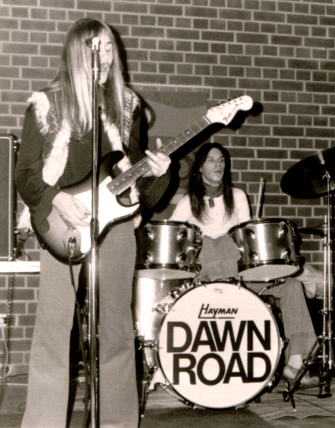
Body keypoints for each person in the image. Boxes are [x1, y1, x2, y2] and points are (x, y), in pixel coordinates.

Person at [14, 18, 171, 427]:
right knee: (54, 327)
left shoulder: (126, 106)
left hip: (115, 224)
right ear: (75, 53)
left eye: (107, 48)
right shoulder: (47, 103)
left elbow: (134, 173)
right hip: (61, 223)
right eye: (92, 48)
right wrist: (56, 199)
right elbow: (25, 172)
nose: (101, 56)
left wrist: (159, 171)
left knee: (117, 329)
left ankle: (118, 422)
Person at [170, 142, 318, 385]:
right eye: (211, 160)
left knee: (292, 286)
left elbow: (246, 239)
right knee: (210, 243)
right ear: (199, 167)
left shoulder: (237, 196)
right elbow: (175, 237)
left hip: (239, 274)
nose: (218, 164)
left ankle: (295, 363)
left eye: (222, 160)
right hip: (208, 279)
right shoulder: (189, 201)